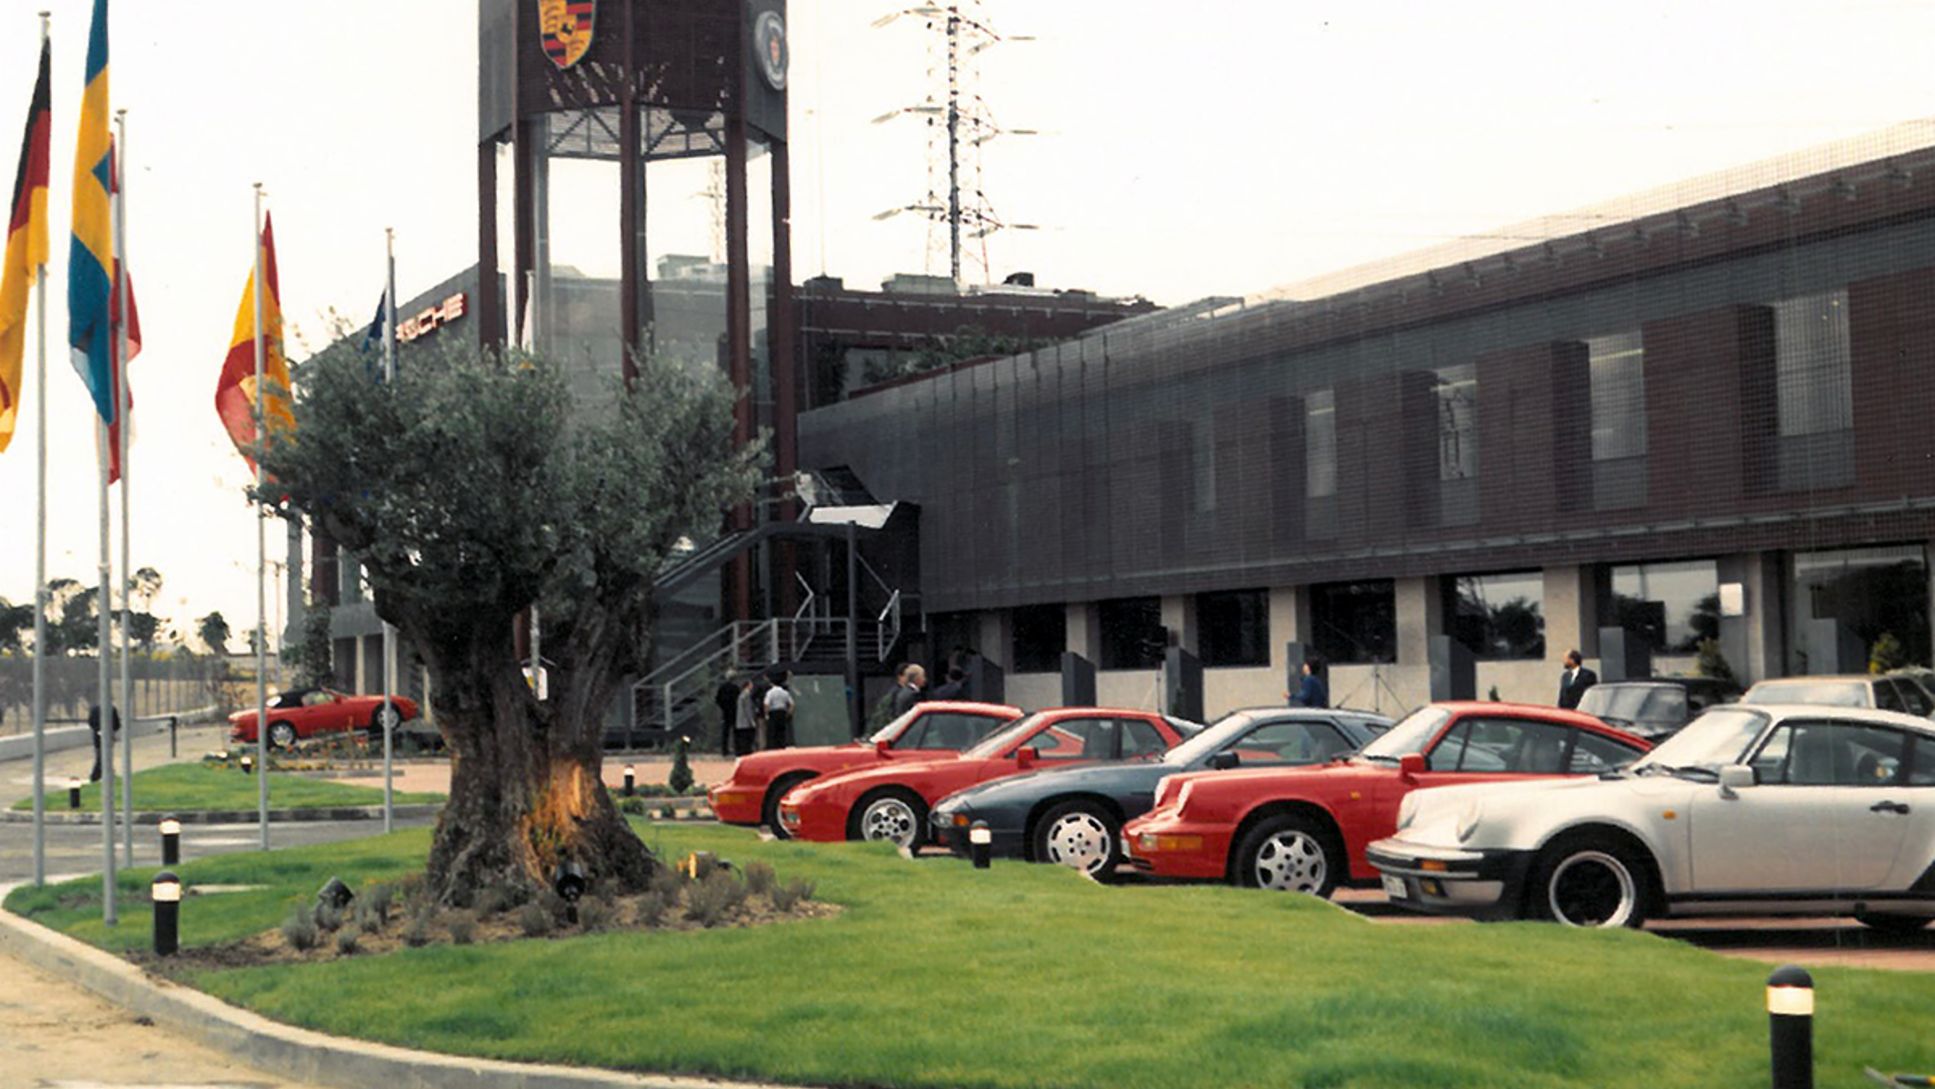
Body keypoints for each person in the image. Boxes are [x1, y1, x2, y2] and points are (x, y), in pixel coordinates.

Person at [86, 702, 120, 783]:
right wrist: (111, 730)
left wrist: (97, 729)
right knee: (103, 757)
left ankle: (109, 773)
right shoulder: (112, 709)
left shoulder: (94, 709)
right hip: (108, 735)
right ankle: (95, 776)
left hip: (98, 736)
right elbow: (117, 724)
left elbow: (90, 722)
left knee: (101, 755)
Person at [763, 671, 796, 750]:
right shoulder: (785, 692)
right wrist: (788, 713)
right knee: (781, 732)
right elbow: (792, 704)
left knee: (772, 732)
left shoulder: (770, 692)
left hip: (773, 713)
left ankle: (773, 747)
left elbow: (766, 704)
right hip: (782, 712)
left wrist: (766, 714)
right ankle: (781, 746)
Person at [713, 676, 741, 757]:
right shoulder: (736, 688)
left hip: (725, 712)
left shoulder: (722, 687)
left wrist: (723, 707)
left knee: (725, 732)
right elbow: (738, 699)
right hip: (734, 712)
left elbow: (717, 699)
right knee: (736, 732)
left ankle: (724, 750)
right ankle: (737, 749)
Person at [732, 678, 759, 758]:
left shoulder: (741, 695)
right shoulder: (747, 695)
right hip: (745, 722)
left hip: (740, 721)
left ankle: (741, 752)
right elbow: (748, 709)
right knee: (747, 739)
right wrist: (752, 721)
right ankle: (746, 753)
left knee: (742, 738)